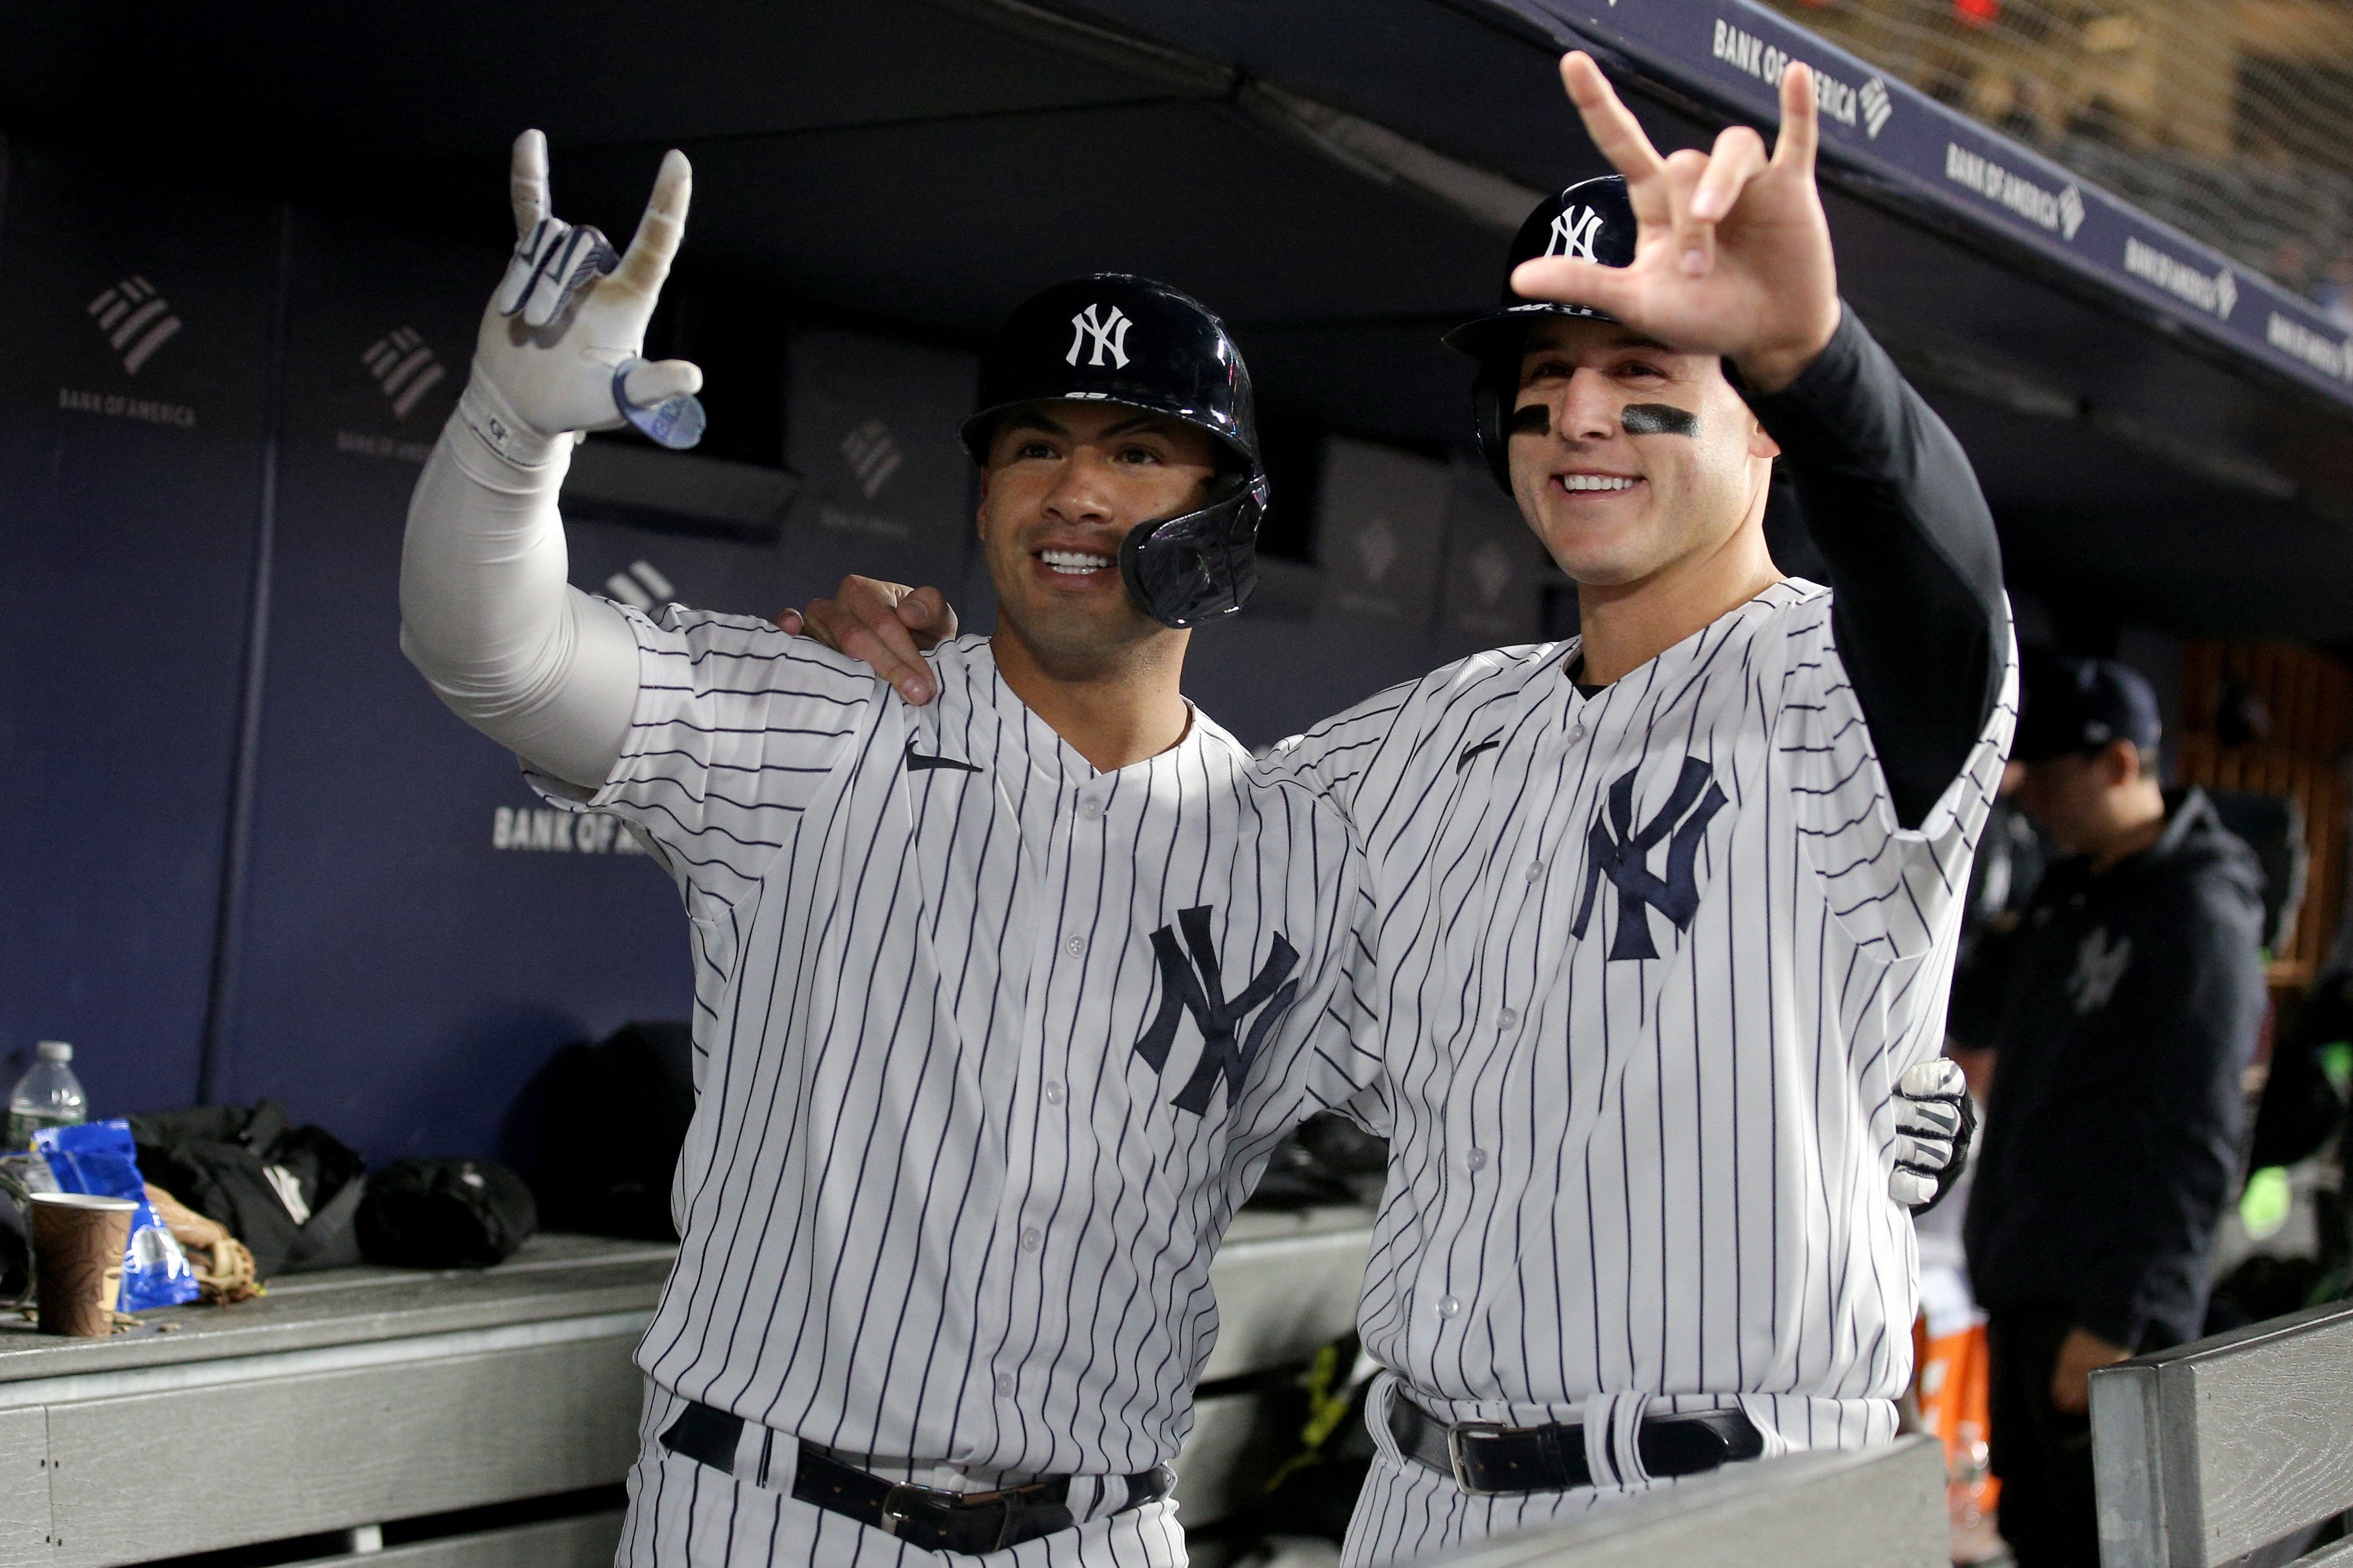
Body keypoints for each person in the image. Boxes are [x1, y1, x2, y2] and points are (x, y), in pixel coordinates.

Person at [796, 52, 2011, 1565]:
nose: (1578, 416)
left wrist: (1815, 356)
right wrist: (910, 685)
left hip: (1730, 1497)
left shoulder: (1841, 688)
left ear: (1755, 423)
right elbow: (1125, 841)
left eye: (1645, 379)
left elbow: (1941, 578)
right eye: (1542, 382)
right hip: (1420, 1495)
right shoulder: (1429, 737)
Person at [400, 133, 1388, 1564]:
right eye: (1035, 445)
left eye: (1134, 451)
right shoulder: (822, 718)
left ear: (1226, 517)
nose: (1074, 490)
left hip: (1097, 1529)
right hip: (768, 1509)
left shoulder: (1302, 849)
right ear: (985, 494)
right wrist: (509, 428)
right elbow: (494, 654)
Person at [1954, 655, 2266, 1568]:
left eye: (2051, 780)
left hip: (2101, 1300)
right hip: (2024, 1271)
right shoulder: (2068, 888)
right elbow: (1973, 1009)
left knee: (2112, 1540)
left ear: (2120, 764)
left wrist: (2125, 1322)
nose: (2036, 803)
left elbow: (2198, 1140)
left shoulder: (2198, 913)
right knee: (2033, 1530)